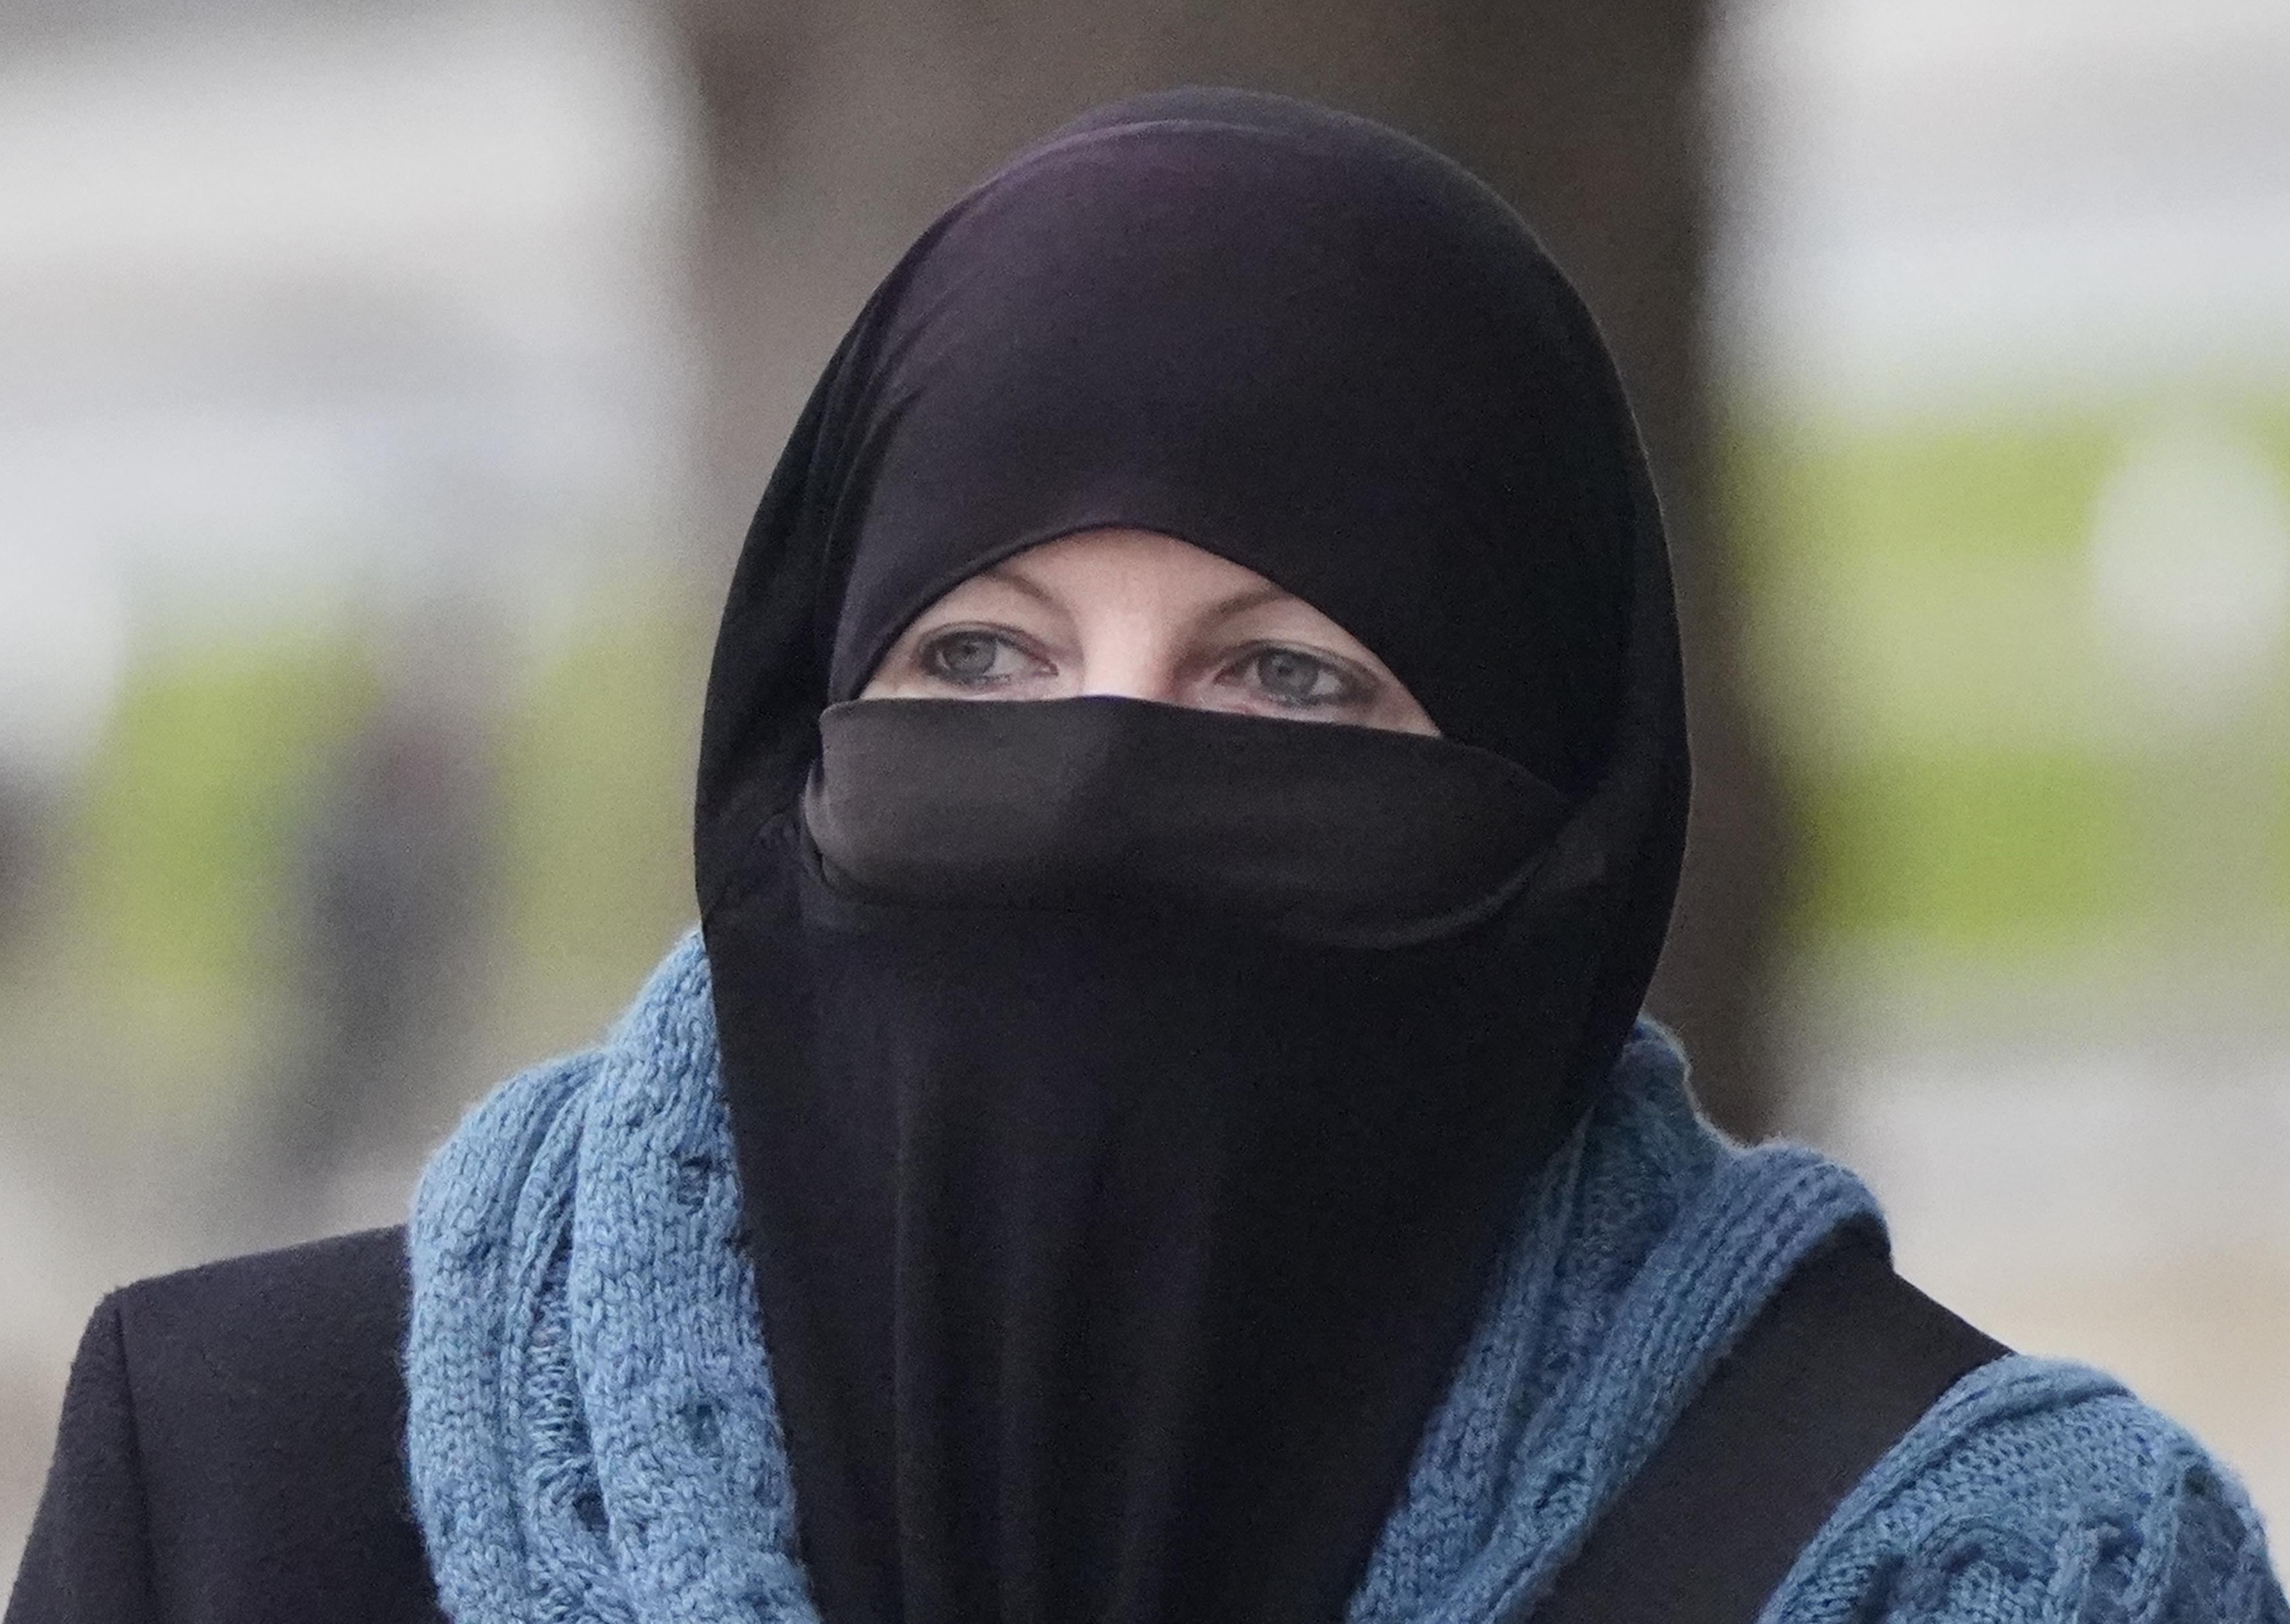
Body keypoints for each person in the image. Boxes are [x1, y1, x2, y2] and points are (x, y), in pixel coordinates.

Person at [8, 89, 2284, 1624]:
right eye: (979, 656)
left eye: (1287, 682)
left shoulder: (1987, 1560)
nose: (1096, 783)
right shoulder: (241, 1481)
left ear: (1557, 829)